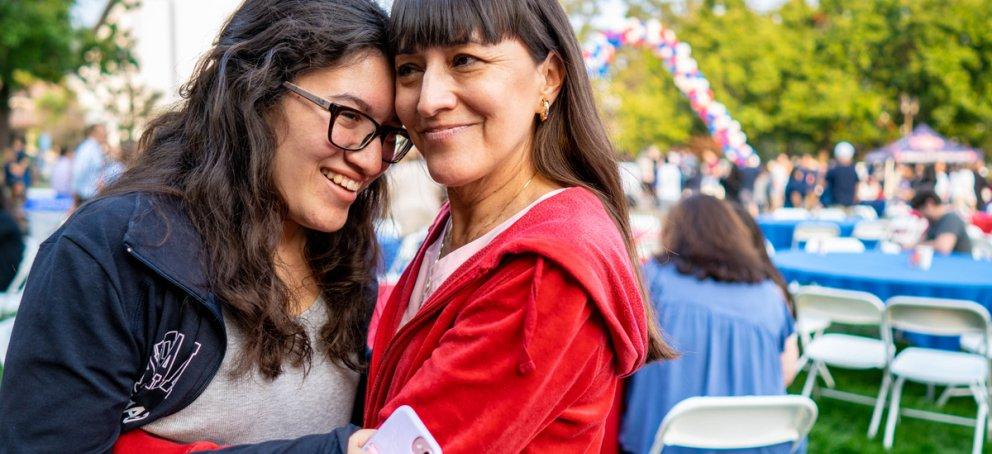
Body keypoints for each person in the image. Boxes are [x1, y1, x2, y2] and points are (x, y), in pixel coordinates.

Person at [0, 1, 410, 452]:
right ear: (255, 94)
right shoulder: (111, 253)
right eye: (349, 116)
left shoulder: (348, 261)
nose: (372, 160)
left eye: (389, 134)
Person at [364, 0, 675, 451]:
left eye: (464, 60)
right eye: (409, 69)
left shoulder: (545, 269)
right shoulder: (460, 225)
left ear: (548, 77)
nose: (429, 100)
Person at [621, 195, 798, 454]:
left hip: (663, 444)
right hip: (758, 445)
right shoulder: (772, 296)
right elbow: (786, 373)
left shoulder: (651, 282)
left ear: (674, 233)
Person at [909, 189, 973, 255]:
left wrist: (916, 246)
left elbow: (943, 248)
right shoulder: (933, 222)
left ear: (929, 204)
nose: (921, 216)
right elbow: (923, 241)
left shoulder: (951, 218)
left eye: (921, 210)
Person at [71, 123, 108, 205]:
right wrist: (75, 198)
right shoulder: (87, 149)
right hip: (85, 197)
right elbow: (78, 171)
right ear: (94, 133)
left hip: (92, 197)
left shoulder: (96, 148)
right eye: (103, 132)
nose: (105, 134)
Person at [824, 141, 859, 207]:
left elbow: (824, 185)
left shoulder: (833, 171)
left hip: (835, 205)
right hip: (850, 205)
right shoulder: (853, 170)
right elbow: (856, 187)